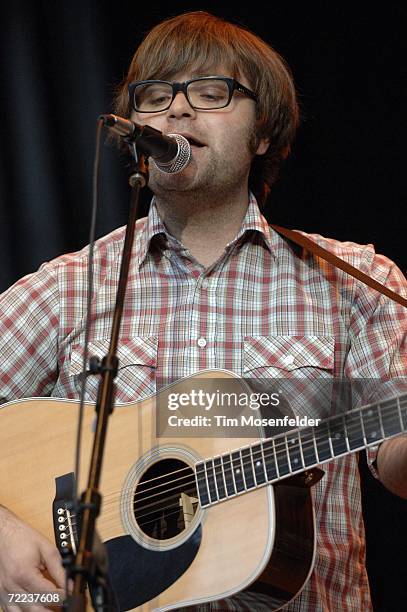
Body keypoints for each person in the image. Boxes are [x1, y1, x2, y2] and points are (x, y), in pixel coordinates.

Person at [0, 10, 406, 612]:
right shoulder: (67, 289)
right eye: (155, 94)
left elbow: (394, 462)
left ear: (264, 132)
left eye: (211, 92)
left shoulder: (356, 283)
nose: (178, 111)